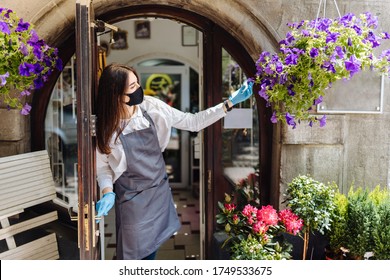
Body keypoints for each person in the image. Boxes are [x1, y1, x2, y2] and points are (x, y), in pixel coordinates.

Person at [95, 63, 253, 260]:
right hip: (131, 202)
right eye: (132, 87)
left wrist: (228, 104)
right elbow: (103, 167)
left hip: (158, 194)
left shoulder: (151, 107)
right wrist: (107, 192)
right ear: (116, 94)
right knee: (132, 255)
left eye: (137, 83)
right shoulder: (105, 126)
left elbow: (192, 121)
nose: (139, 90)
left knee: (151, 253)